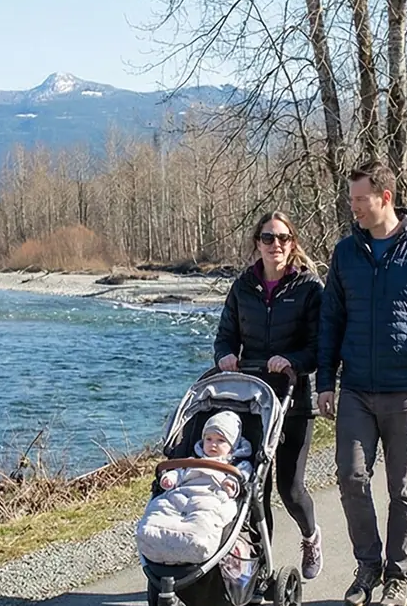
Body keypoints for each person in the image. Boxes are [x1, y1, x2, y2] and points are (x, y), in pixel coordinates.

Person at [316, 159, 407, 606]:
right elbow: (331, 321)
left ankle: (397, 578)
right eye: (352, 200)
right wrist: (325, 382)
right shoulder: (346, 253)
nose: (354, 208)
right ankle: (367, 567)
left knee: (403, 490)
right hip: (357, 387)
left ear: (385, 197)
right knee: (351, 477)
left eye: (361, 200)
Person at [214, 210, 325, 579]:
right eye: (267, 238)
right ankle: (261, 567)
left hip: (292, 400)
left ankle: (310, 537)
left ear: (292, 244)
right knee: (253, 486)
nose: (274, 245)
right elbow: (225, 334)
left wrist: (291, 360)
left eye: (282, 238)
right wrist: (225, 355)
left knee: (290, 489)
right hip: (250, 399)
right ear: (257, 243)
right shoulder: (243, 287)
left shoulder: (309, 288)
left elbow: (318, 346)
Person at [135, 412, 255, 566]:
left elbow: (243, 475)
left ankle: (195, 540)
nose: (213, 444)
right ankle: (153, 535)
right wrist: (170, 478)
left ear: (233, 445)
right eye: (209, 439)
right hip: (182, 493)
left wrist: (232, 483)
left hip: (212, 496)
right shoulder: (192, 460)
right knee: (161, 505)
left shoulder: (236, 464)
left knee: (209, 516)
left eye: (221, 441)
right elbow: (179, 471)